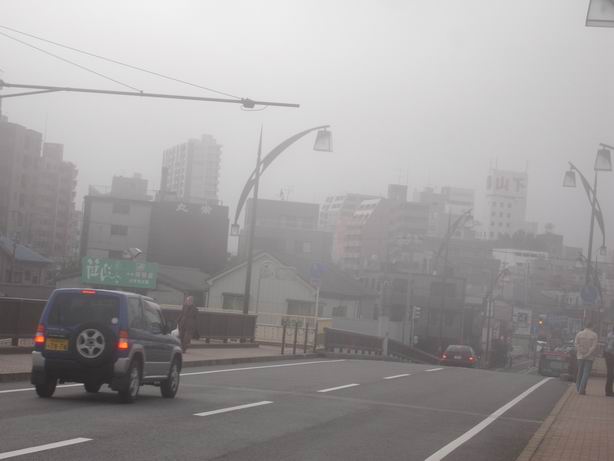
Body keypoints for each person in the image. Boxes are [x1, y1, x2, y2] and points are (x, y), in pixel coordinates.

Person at [574, 322, 599, 395]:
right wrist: (588, 353)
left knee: (580, 372)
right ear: (592, 326)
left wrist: (581, 351)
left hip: (580, 356)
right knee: (586, 373)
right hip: (590, 357)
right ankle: (582, 389)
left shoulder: (579, 333)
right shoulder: (594, 335)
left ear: (585, 326)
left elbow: (576, 344)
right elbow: (594, 346)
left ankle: (578, 388)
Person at [604, 326, 614, 397]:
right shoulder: (612, 336)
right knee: (611, 373)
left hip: (608, 355)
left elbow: (606, 345)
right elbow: (610, 347)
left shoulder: (609, 334)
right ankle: (609, 391)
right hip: (611, 355)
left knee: (610, 373)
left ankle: (608, 391)